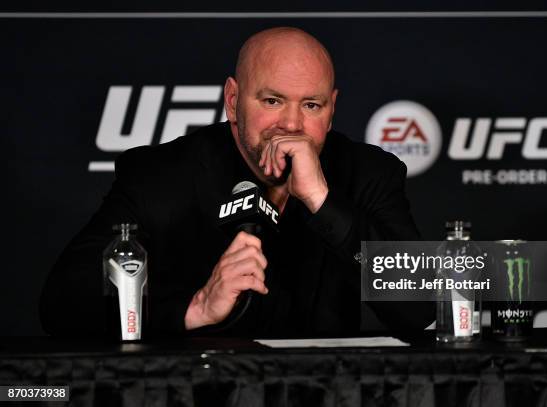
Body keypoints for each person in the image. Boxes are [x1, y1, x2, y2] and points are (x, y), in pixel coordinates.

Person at [40, 27, 433, 338]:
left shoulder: (368, 172)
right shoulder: (160, 175)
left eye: (311, 105)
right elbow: (63, 304)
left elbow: (421, 308)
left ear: (331, 109)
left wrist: (322, 201)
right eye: (272, 101)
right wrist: (195, 308)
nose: (293, 125)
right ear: (233, 100)